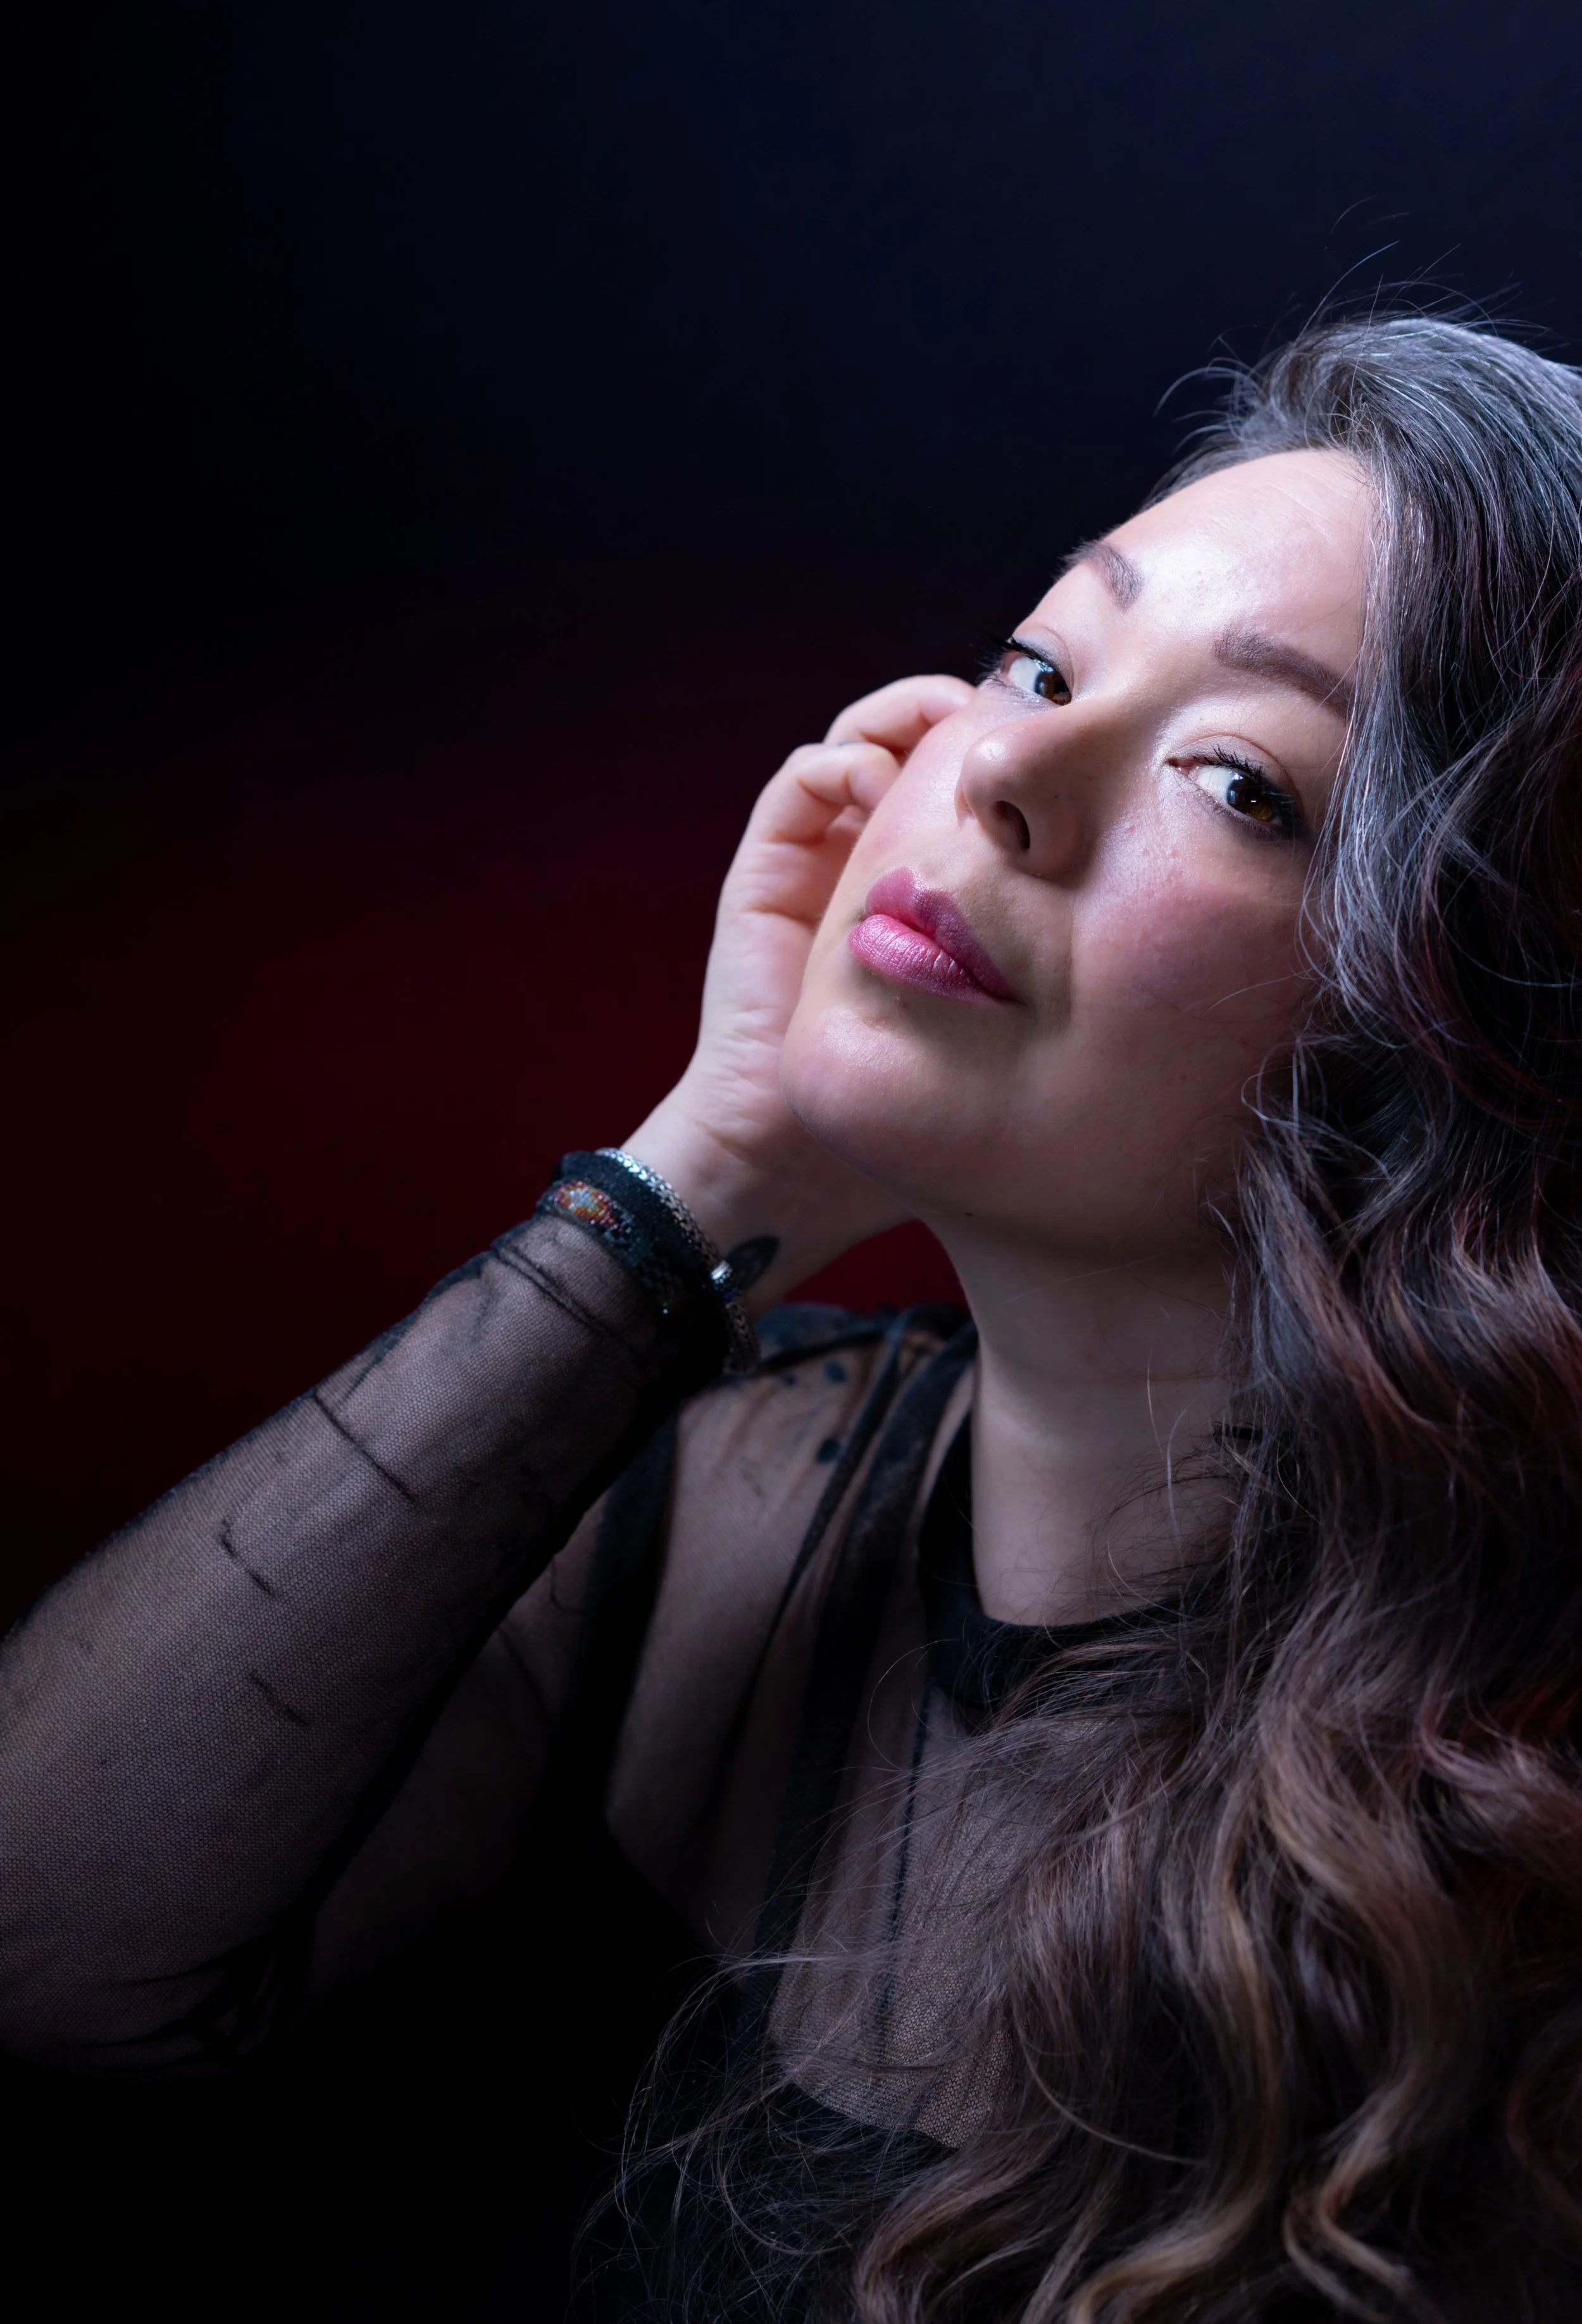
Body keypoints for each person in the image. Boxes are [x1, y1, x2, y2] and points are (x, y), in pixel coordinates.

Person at [2, 315, 1580, 2323]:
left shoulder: (1516, 1847)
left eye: (1232, 778)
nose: (1001, 766)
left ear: (1444, 1042)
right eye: (1037, 662)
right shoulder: (730, 1505)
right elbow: (43, 1941)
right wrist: (704, 1173)